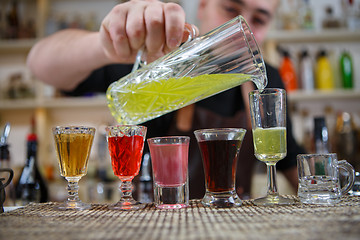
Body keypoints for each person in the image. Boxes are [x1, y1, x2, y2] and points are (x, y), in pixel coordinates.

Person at [27, 0, 305, 199]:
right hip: (155, 224)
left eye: (259, 19)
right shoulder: (158, 57)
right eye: (231, 8)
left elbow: (287, 158)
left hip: (231, 225)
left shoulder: (267, 79)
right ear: (204, 5)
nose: (241, 26)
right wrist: (107, 44)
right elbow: (39, 64)